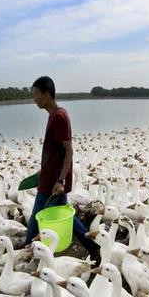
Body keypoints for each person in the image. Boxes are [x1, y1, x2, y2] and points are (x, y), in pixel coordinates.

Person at [24, 76, 100, 262]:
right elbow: (57, 152)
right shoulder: (55, 115)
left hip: (52, 185)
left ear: (47, 94)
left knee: (35, 223)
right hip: (48, 179)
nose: (34, 98)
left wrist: (60, 180)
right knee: (67, 218)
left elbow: (68, 151)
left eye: (36, 94)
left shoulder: (59, 117)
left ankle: (27, 256)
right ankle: (94, 247)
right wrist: (44, 169)